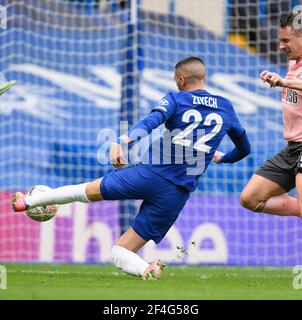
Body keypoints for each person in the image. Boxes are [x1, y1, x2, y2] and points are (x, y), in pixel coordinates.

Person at [12, 56, 251, 280]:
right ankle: (146, 269)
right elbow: (244, 149)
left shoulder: (176, 99)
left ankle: (29, 202)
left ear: (180, 80)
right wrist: (223, 159)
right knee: (120, 251)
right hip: (176, 194)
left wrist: (121, 141)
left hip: (149, 174)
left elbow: (151, 122)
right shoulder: (226, 107)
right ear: (203, 78)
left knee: (83, 192)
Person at [240, 12, 302, 218]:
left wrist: (284, 82)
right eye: (280, 40)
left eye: (286, 40)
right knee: (249, 198)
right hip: (292, 148)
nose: (281, 46)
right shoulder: (294, 63)